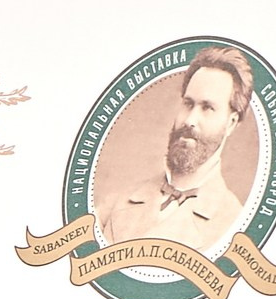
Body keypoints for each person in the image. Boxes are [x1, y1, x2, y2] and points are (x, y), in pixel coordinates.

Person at [101, 47, 253, 254]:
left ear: (231, 123)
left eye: (208, 108)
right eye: (188, 104)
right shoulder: (114, 203)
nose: (190, 120)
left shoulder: (235, 226)